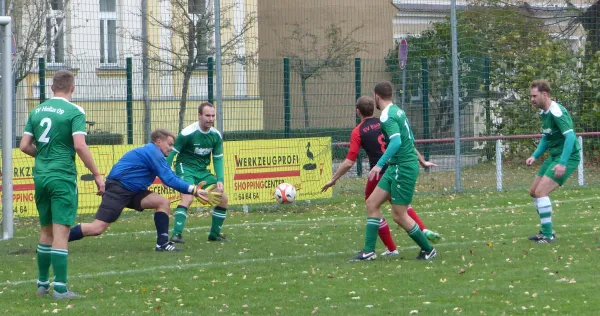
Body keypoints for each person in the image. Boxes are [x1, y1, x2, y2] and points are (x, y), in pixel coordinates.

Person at [20, 70, 105, 299]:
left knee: (45, 230)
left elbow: (24, 146)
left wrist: (44, 156)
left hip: (41, 176)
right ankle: (60, 288)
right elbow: (79, 145)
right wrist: (97, 174)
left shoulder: (36, 111)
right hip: (62, 176)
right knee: (61, 231)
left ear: (51, 88)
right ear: (73, 88)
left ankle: (41, 285)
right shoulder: (74, 111)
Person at [321, 96, 440, 257]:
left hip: (382, 171)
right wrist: (422, 161)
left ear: (358, 112)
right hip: (391, 168)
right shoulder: (384, 120)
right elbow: (406, 143)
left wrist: (333, 179)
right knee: (384, 205)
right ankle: (419, 232)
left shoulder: (359, 131)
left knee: (391, 211)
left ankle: (395, 248)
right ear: (373, 108)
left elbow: (350, 161)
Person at [68, 129, 221, 252]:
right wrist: (193, 190)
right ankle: (60, 239)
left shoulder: (154, 153)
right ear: (158, 141)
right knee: (97, 228)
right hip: (119, 189)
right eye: (169, 144)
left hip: (133, 191)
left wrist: (192, 189)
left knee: (163, 202)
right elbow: (169, 179)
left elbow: (170, 176)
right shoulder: (152, 151)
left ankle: (162, 244)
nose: (171, 148)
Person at [349, 81, 437, 261]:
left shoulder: (387, 116)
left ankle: (428, 249)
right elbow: (408, 141)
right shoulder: (398, 111)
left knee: (399, 215)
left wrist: (379, 164)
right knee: (372, 203)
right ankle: (368, 251)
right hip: (396, 166)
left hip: (402, 168)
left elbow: (397, 142)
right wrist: (421, 161)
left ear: (377, 96)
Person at [525, 80, 580, 244]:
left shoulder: (557, 112)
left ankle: (548, 236)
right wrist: (534, 156)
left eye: (534, 96)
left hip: (568, 157)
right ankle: (545, 232)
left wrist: (563, 163)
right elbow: (546, 137)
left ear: (545, 94)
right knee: (534, 191)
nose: (532, 99)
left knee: (541, 192)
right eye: (531, 96)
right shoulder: (544, 113)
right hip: (554, 156)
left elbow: (570, 137)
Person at [166, 102, 229, 243]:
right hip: (185, 168)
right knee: (188, 198)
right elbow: (171, 154)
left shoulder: (216, 136)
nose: (211, 119)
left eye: (213, 116)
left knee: (223, 199)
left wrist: (220, 179)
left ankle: (214, 235)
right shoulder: (187, 133)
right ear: (199, 115)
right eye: (207, 115)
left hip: (202, 171)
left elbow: (218, 159)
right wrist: (165, 176)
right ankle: (176, 235)